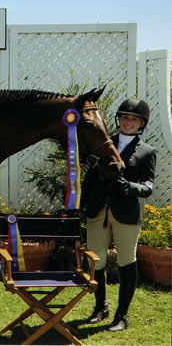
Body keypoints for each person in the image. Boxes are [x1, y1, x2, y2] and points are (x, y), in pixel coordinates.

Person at [81, 98, 156, 332]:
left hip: (126, 212)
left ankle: (122, 315)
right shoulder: (104, 144)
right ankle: (100, 307)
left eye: (133, 119)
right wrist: (81, 207)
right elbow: (89, 180)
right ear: (118, 119)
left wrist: (129, 187)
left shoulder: (147, 151)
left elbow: (148, 186)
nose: (128, 121)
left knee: (126, 260)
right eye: (124, 117)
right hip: (98, 209)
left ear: (141, 123)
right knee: (97, 260)